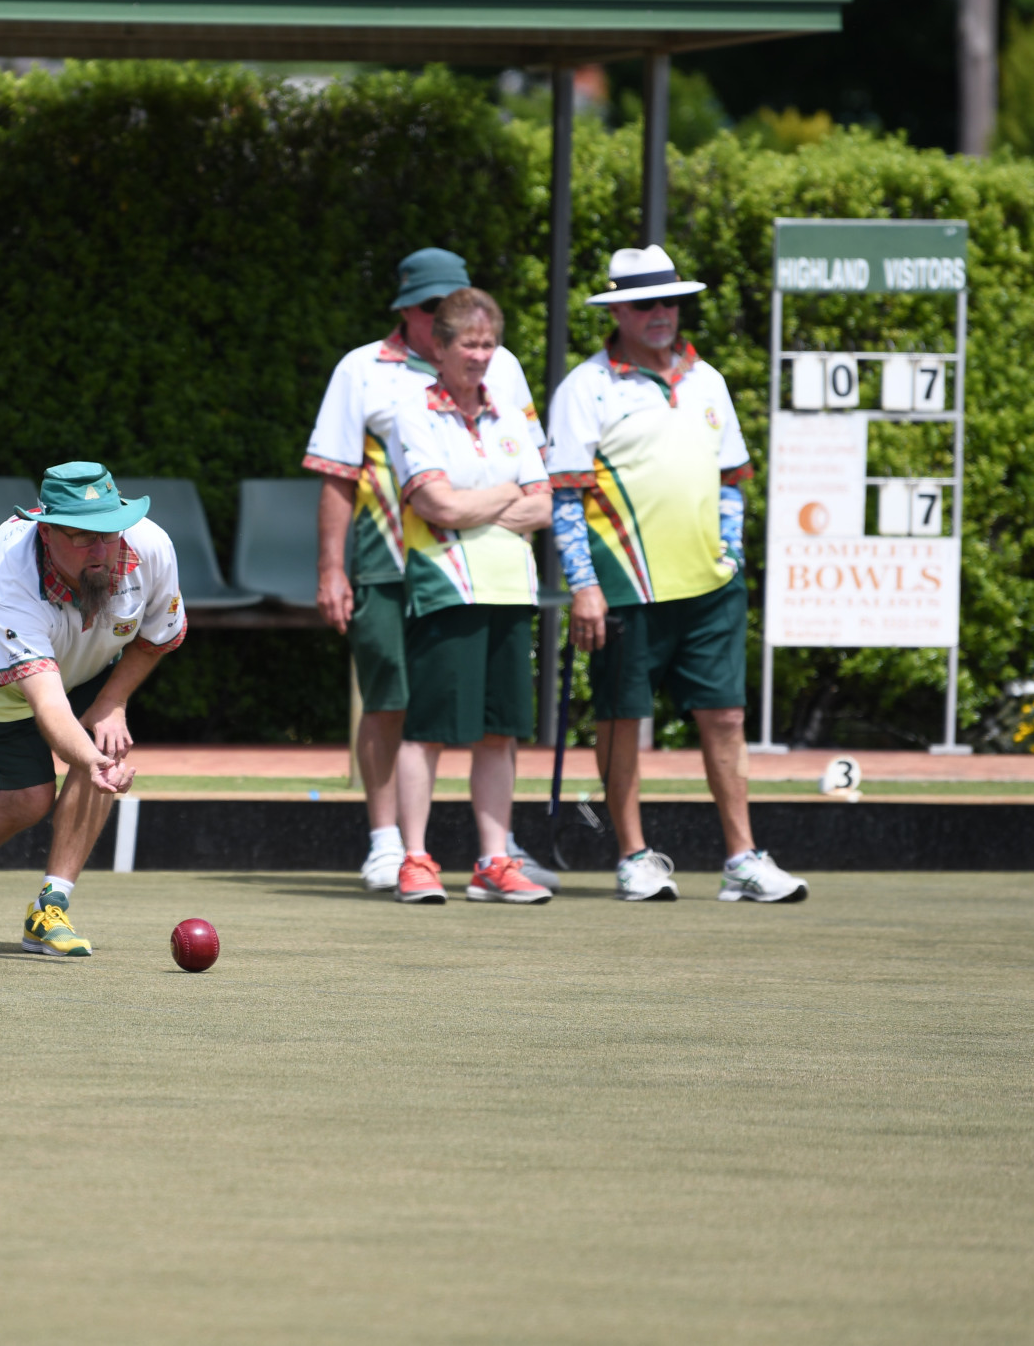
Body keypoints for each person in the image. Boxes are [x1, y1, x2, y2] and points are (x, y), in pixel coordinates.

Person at [545, 244, 807, 903]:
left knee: (725, 717)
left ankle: (742, 857)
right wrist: (583, 583)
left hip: (710, 588)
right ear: (620, 311)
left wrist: (731, 550)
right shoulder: (586, 387)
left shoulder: (708, 379)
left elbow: (732, 481)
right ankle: (634, 855)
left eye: (669, 300)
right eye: (644, 303)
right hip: (623, 587)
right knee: (621, 719)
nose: (661, 313)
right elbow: (565, 498)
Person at [304, 247, 557, 894]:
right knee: (393, 697)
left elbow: (541, 481)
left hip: (486, 570)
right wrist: (331, 570)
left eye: (456, 301)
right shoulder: (363, 368)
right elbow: (336, 476)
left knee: (487, 714)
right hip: (387, 556)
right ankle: (388, 843)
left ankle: (489, 848)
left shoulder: (502, 369)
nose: (443, 315)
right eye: (431, 306)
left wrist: (491, 504)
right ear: (409, 311)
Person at [0, 463, 185, 957]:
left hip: (90, 651)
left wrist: (112, 703)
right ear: (46, 531)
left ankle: (50, 908)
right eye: (82, 537)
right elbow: (49, 704)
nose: (101, 551)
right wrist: (92, 762)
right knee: (30, 797)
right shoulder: (12, 575)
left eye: (109, 535)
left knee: (102, 743)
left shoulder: (151, 546)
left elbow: (158, 637)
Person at [389, 290, 554, 904]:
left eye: (489, 344)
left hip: (512, 589)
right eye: (469, 344)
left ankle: (493, 860)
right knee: (428, 728)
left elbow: (544, 505)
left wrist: (478, 505)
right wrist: (507, 493)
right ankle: (414, 859)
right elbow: (437, 504)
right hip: (445, 587)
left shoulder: (512, 415)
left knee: (500, 732)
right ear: (440, 345)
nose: (481, 356)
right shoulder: (415, 413)